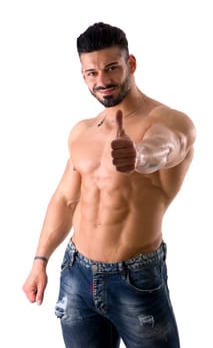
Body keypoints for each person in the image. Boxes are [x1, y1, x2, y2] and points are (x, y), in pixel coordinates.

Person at [23, 22, 196, 348]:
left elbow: (166, 147)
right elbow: (65, 199)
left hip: (135, 280)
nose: (101, 81)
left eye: (111, 68)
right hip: (76, 275)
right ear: (83, 74)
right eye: (91, 73)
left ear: (130, 64)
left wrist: (138, 155)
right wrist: (40, 261)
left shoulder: (168, 121)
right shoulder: (83, 131)